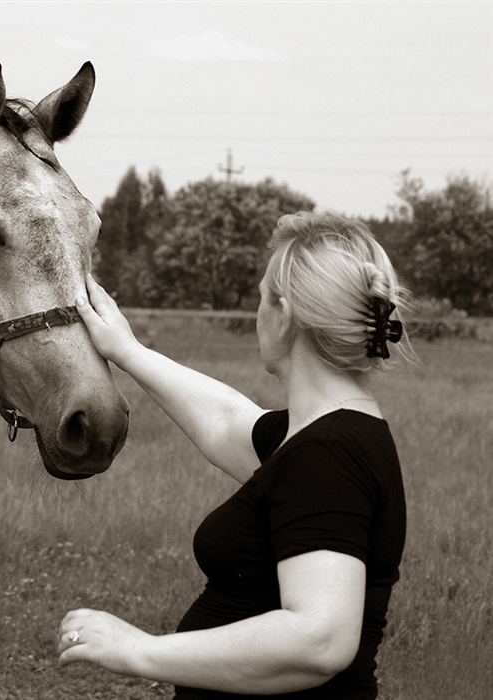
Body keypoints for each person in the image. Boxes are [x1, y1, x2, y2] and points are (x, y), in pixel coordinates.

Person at [57, 211, 413, 699]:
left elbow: (320, 639)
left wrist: (140, 650)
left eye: (262, 296)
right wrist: (127, 350)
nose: (257, 313)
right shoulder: (317, 435)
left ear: (284, 313)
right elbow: (226, 421)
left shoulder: (329, 454)